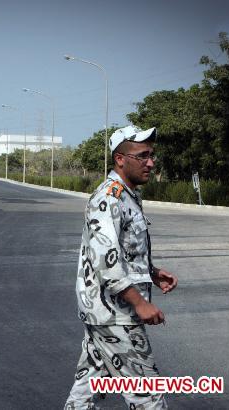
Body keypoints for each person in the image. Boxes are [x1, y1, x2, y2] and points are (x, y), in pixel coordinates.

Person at [64, 125, 178, 409]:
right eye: (142, 156)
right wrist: (139, 303)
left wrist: (151, 273)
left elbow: (122, 250)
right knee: (148, 395)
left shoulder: (128, 195)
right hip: (116, 312)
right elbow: (106, 261)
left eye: (151, 155)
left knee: (86, 389)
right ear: (120, 159)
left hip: (105, 313)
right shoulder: (108, 198)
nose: (150, 162)